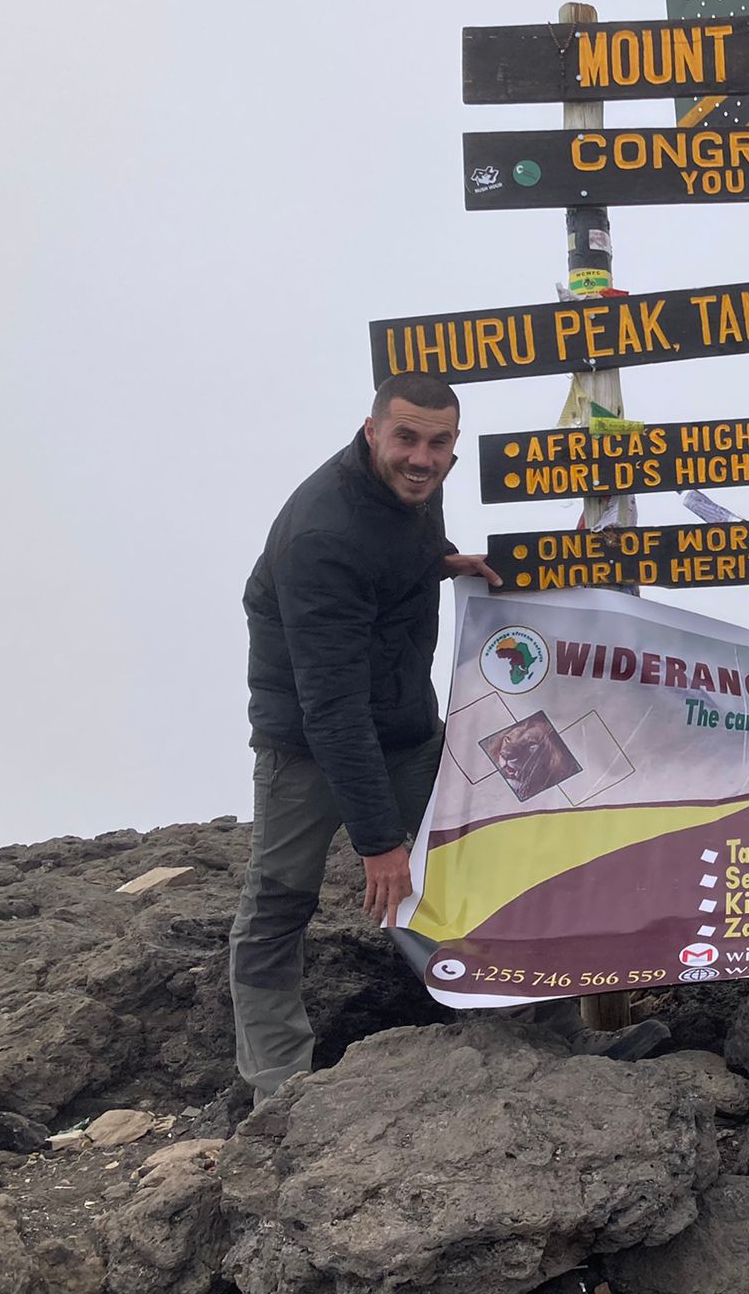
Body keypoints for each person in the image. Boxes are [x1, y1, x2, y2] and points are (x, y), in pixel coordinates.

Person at [232, 373, 499, 1100]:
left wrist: (443, 561)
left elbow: (401, 546)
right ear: (372, 430)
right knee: (279, 906)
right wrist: (378, 842)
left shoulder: (420, 485)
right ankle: (278, 1086)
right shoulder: (324, 536)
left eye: (439, 443)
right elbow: (331, 707)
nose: (422, 457)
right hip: (307, 745)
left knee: (473, 870)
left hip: (405, 724)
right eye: (406, 437)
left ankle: (535, 1038)